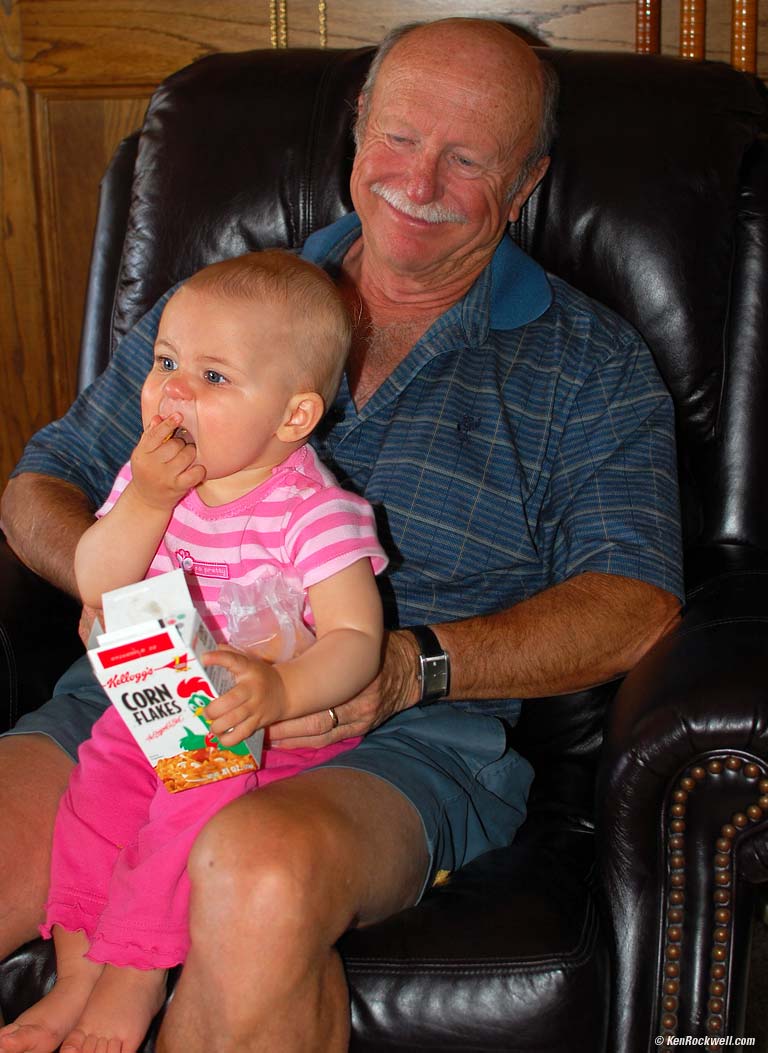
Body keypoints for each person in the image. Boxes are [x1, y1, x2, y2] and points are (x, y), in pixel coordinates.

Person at [0, 17, 684, 1053]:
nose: (420, 178)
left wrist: (412, 668)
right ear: (357, 134)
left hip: (386, 743)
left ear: (528, 180)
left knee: (257, 881)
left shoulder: (588, 366)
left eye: (469, 158)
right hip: (135, 703)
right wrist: (106, 585)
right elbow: (40, 484)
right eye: (401, 137)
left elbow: (636, 604)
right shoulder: (221, 307)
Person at [0, 249, 387, 1053]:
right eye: (167, 361)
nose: (173, 389)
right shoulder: (154, 481)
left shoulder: (315, 511)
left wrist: (281, 693)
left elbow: (358, 641)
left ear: (293, 417)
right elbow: (98, 580)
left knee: (192, 805)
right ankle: (77, 972)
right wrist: (144, 499)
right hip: (156, 700)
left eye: (213, 377)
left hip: (263, 729)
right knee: (96, 796)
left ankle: (135, 975)